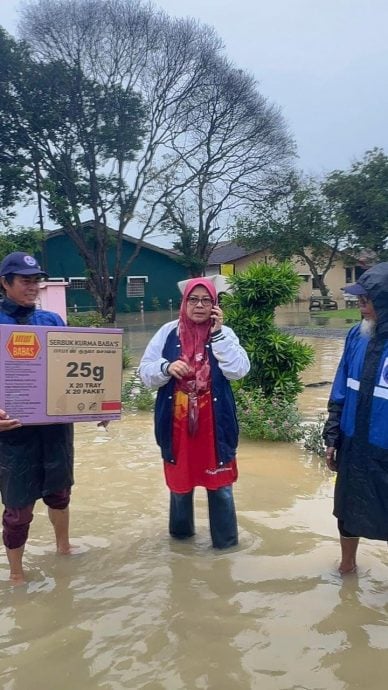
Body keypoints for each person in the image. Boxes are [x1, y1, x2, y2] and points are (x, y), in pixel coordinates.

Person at [139, 277, 250, 548]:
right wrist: (166, 367)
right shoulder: (167, 332)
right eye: (193, 299)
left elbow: (239, 370)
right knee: (180, 489)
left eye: (206, 300)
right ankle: (180, 548)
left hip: (216, 428)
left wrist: (219, 335)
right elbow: (145, 373)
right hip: (177, 429)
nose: (199, 305)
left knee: (221, 489)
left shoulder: (225, 333)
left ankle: (226, 550)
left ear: (215, 305)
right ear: (184, 302)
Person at [0, 252, 74, 584]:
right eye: (25, 280)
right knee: (18, 509)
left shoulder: (53, 321)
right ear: (5, 283)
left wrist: (98, 405)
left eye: (36, 280)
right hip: (13, 432)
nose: (33, 287)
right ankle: (16, 574)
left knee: (59, 492)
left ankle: (64, 549)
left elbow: (72, 373)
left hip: (55, 428)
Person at [323, 262, 388, 574]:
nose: (359, 304)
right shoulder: (355, 336)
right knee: (347, 512)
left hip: (384, 451)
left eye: (366, 299)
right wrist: (332, 436)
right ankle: (347, 566)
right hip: (353, 445)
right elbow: (340, 389)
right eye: (358, 299)